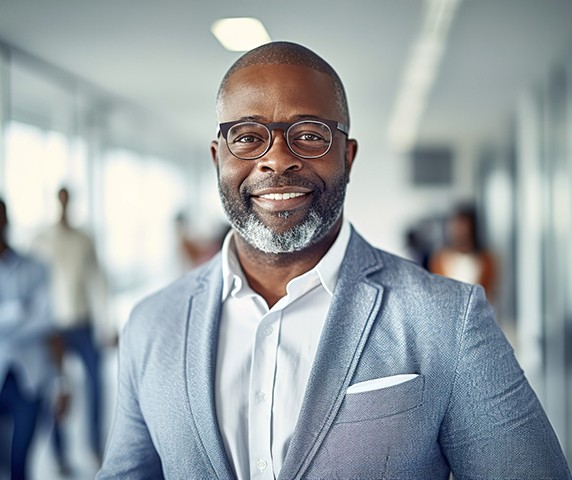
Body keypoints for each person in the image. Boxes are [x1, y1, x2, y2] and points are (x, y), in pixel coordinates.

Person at [97, 42, 570, 479]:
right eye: (246, 137)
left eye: (308, 135)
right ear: (218, 156)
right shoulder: (151, 324)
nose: (277, 159)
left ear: (348, 155)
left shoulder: (448, 318)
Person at [32, 187, 108, 473]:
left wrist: (106, 323)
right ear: (57, 200)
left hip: (83, 324)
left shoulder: (84, 239)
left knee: (96, 387)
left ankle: (95, 446)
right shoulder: (41, 240)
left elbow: (98, 280)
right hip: (55, 330)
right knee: (57, 391)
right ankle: (60, 455)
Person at [0, 198, 64, 480]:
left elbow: (46, 322)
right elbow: (32, 320)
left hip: (30, 379)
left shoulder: (36, 268)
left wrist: (63, 382)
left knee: (19, 462)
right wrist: (19, 310)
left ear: (6, 220)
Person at [429, 204, 497, 300]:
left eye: (464, 227)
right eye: (456, 227)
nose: (460, 232)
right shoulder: (440, 258)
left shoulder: (485, 259)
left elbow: (489, 292)